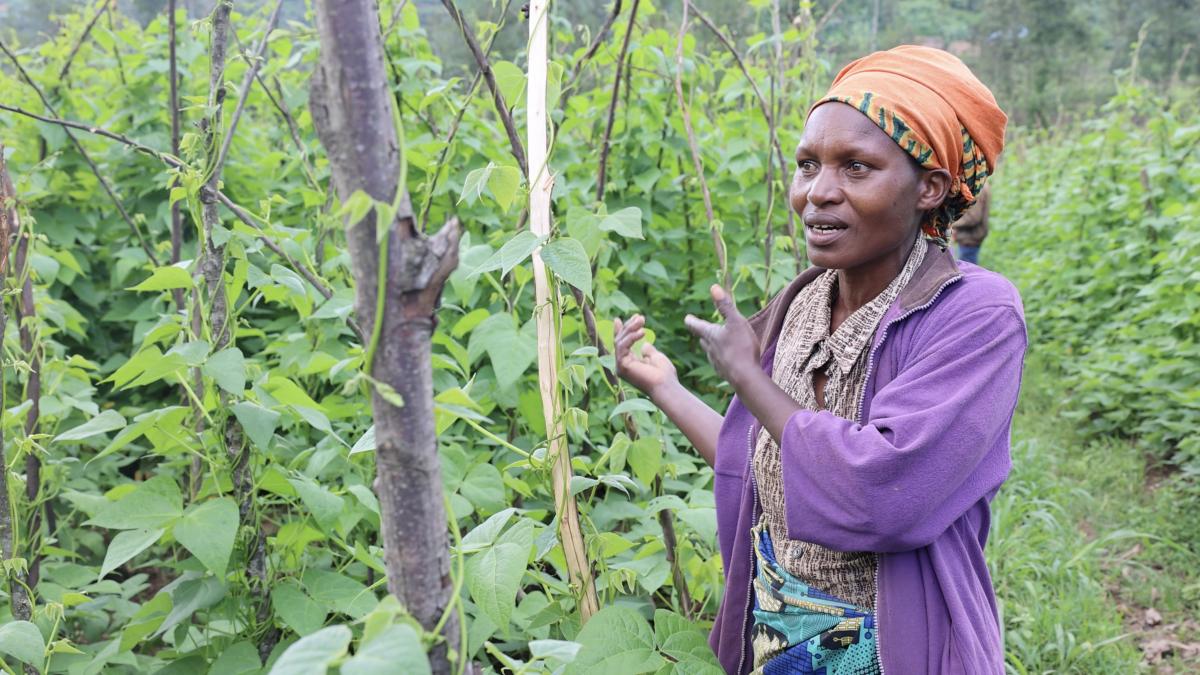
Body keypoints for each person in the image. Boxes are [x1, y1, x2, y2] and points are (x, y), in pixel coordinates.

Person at [612, 46, 1025, 674]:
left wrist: (749, 377)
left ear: (930, 188)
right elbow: (763, 460)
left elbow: (883, 494)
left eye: (856, 168)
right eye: (808, 166)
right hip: (774, 644)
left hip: (894, 649)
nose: (817, 194)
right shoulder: (805, 300)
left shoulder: (974, 317)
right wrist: (666, 387)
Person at [952, 182, 990, 265]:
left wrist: (951, 224)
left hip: (969, 238)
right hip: (970, 237)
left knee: (967, 270)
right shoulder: (980, 184)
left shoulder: (977, 186)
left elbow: (972, 218)